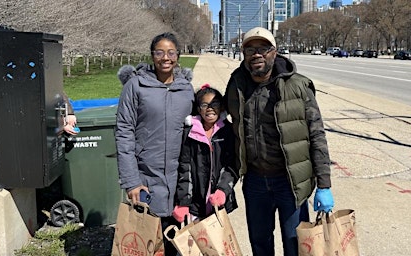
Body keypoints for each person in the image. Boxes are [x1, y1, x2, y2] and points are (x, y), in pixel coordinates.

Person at [224, 27, 335, 256]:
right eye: (250, 49)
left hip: (290, 182)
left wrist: (324, 185)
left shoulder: (299, 86)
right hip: (255, 182)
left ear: (274, 52)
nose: (257, 54)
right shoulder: (236, 85)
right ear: (243, 53)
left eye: (263, 49)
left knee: (295, 246)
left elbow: (316, 134)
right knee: (260, 244)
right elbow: (221, 121)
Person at [115, 32, 195, 256]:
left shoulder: (185, 89)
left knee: (174, 243)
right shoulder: (136, 86)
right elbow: (124, 133)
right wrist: (131, 181)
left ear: (178, 55)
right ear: (152, 55)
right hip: (146, 179)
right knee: (147, 244)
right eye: (159, 52)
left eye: (171, 52)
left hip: (179, 181)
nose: (165, 58)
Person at [172, 84, 238, 223]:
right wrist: (184, 202)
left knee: (218, 241)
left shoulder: (228, 132)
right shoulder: (190, 134)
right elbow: (185, 168)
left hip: (219, 203)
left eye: (215, 104)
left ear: (221, 107)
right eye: (204, 105)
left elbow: (232, 165)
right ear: (198, 109)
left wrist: (222, 191)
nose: (210, 108)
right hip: (196, 203)